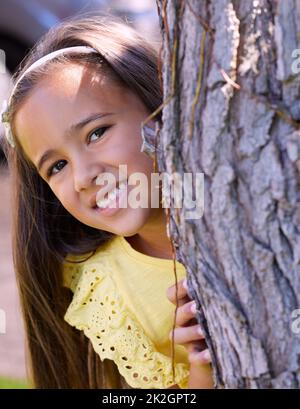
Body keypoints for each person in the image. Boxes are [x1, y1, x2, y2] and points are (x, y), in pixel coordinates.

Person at [1, 12, 213, 389]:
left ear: (158, 106)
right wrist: (203, 374)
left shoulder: (247, 202)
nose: (83, 176)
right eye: (57, 166)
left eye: (97, 133)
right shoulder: (109, 292)